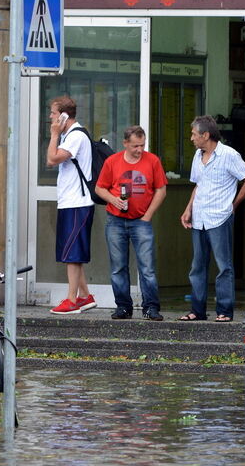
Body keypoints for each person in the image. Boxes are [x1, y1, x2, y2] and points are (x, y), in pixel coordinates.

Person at [179, 115, 245, 322]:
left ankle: (224, 311)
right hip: (200, 217)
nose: (191, 138)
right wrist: (188, 209)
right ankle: (197, 310)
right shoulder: (198, 155)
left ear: (206, 135)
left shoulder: (229, 155)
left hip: (220, 217)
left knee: (223, 266)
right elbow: (198, 185)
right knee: (198, 266)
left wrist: (234, 204)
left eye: (194, 134)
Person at [95, 125, 167, 320]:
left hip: (141, 221)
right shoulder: (112, 161)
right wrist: (113, 199)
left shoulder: (152, 161)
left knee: (147, 268)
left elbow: (161, 189)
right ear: (125, 143)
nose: (139, 150)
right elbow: (100, 188)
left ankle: (151, 307)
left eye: (142, 145)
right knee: (118, 266)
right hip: (116, 220)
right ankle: (123, 307)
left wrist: (148, 215)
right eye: (135, 146)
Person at [46, 95, 97, 315]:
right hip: (70, 201)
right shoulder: (70, 135)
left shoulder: (75, 136)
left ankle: (71, 299)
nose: (50, 117)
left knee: (72, 254)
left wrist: (54, 135)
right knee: (71, 251)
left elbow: (51, 159)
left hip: (78, 202)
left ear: (64, 116)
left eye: (54, 113)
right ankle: (85, 296)